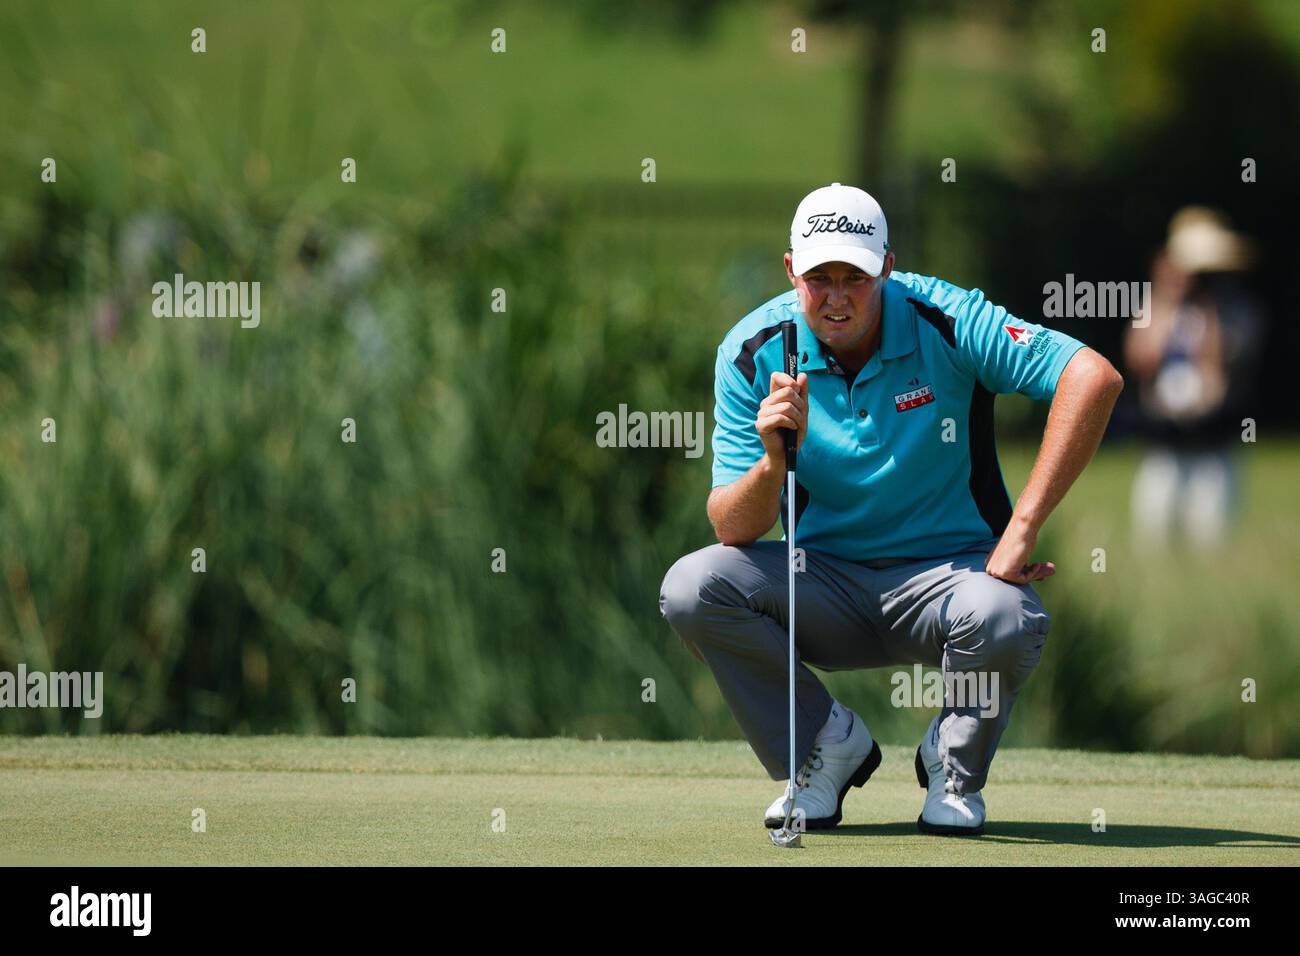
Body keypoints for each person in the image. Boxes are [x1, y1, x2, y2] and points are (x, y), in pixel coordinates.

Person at [658, 183, 1123, 835]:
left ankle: (952, 770)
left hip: (950, 580)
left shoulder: (947, 318)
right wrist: (772, 461)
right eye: (821, 277)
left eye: (857, 276)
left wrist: (1023, 528)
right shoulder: (752, 349)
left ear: (889, 270)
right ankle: (824, 749)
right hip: (820, 579)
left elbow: (1091, 376)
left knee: (1005, 615)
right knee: (691, 588)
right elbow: (734, 527)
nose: (838, 296)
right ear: (792, 269)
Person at [1124, 207, 1263, 549]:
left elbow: (1224, 365)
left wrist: (1209, 309)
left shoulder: (1236, 309)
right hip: (1164, 438)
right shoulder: (1156, 305)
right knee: (1153, 531)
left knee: (1211, 534)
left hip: (1215, 438)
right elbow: (1140, 358)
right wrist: (1167, 296)